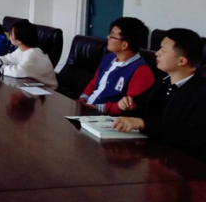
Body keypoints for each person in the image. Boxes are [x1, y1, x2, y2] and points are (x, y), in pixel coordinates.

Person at [113, 28, 206, 161]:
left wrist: (143, 124)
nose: (157, 53)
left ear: (181, 61)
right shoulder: (163, 80)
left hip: (182, 163)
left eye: (163, 50)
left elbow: (189, 136)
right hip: (153, 154)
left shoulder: (201, 93)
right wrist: (128, 105)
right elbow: (141, 104)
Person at [77, 17, 154, 115]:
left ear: (124, 45)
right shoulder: (108, 58)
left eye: (112, 36)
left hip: (105, 117)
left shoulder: (142, 71)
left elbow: (129, 105)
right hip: (87, 109)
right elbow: (95, 82)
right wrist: (84, 98)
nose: (108, 37)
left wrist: (98, 108)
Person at [0, 19, 58, 88]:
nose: (9, 36)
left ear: (19, 40)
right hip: (33, 88)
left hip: (48, 92)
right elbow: (8, 59)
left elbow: (19, 72)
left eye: (11, 34)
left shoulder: (33, 54)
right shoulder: (22, 50)